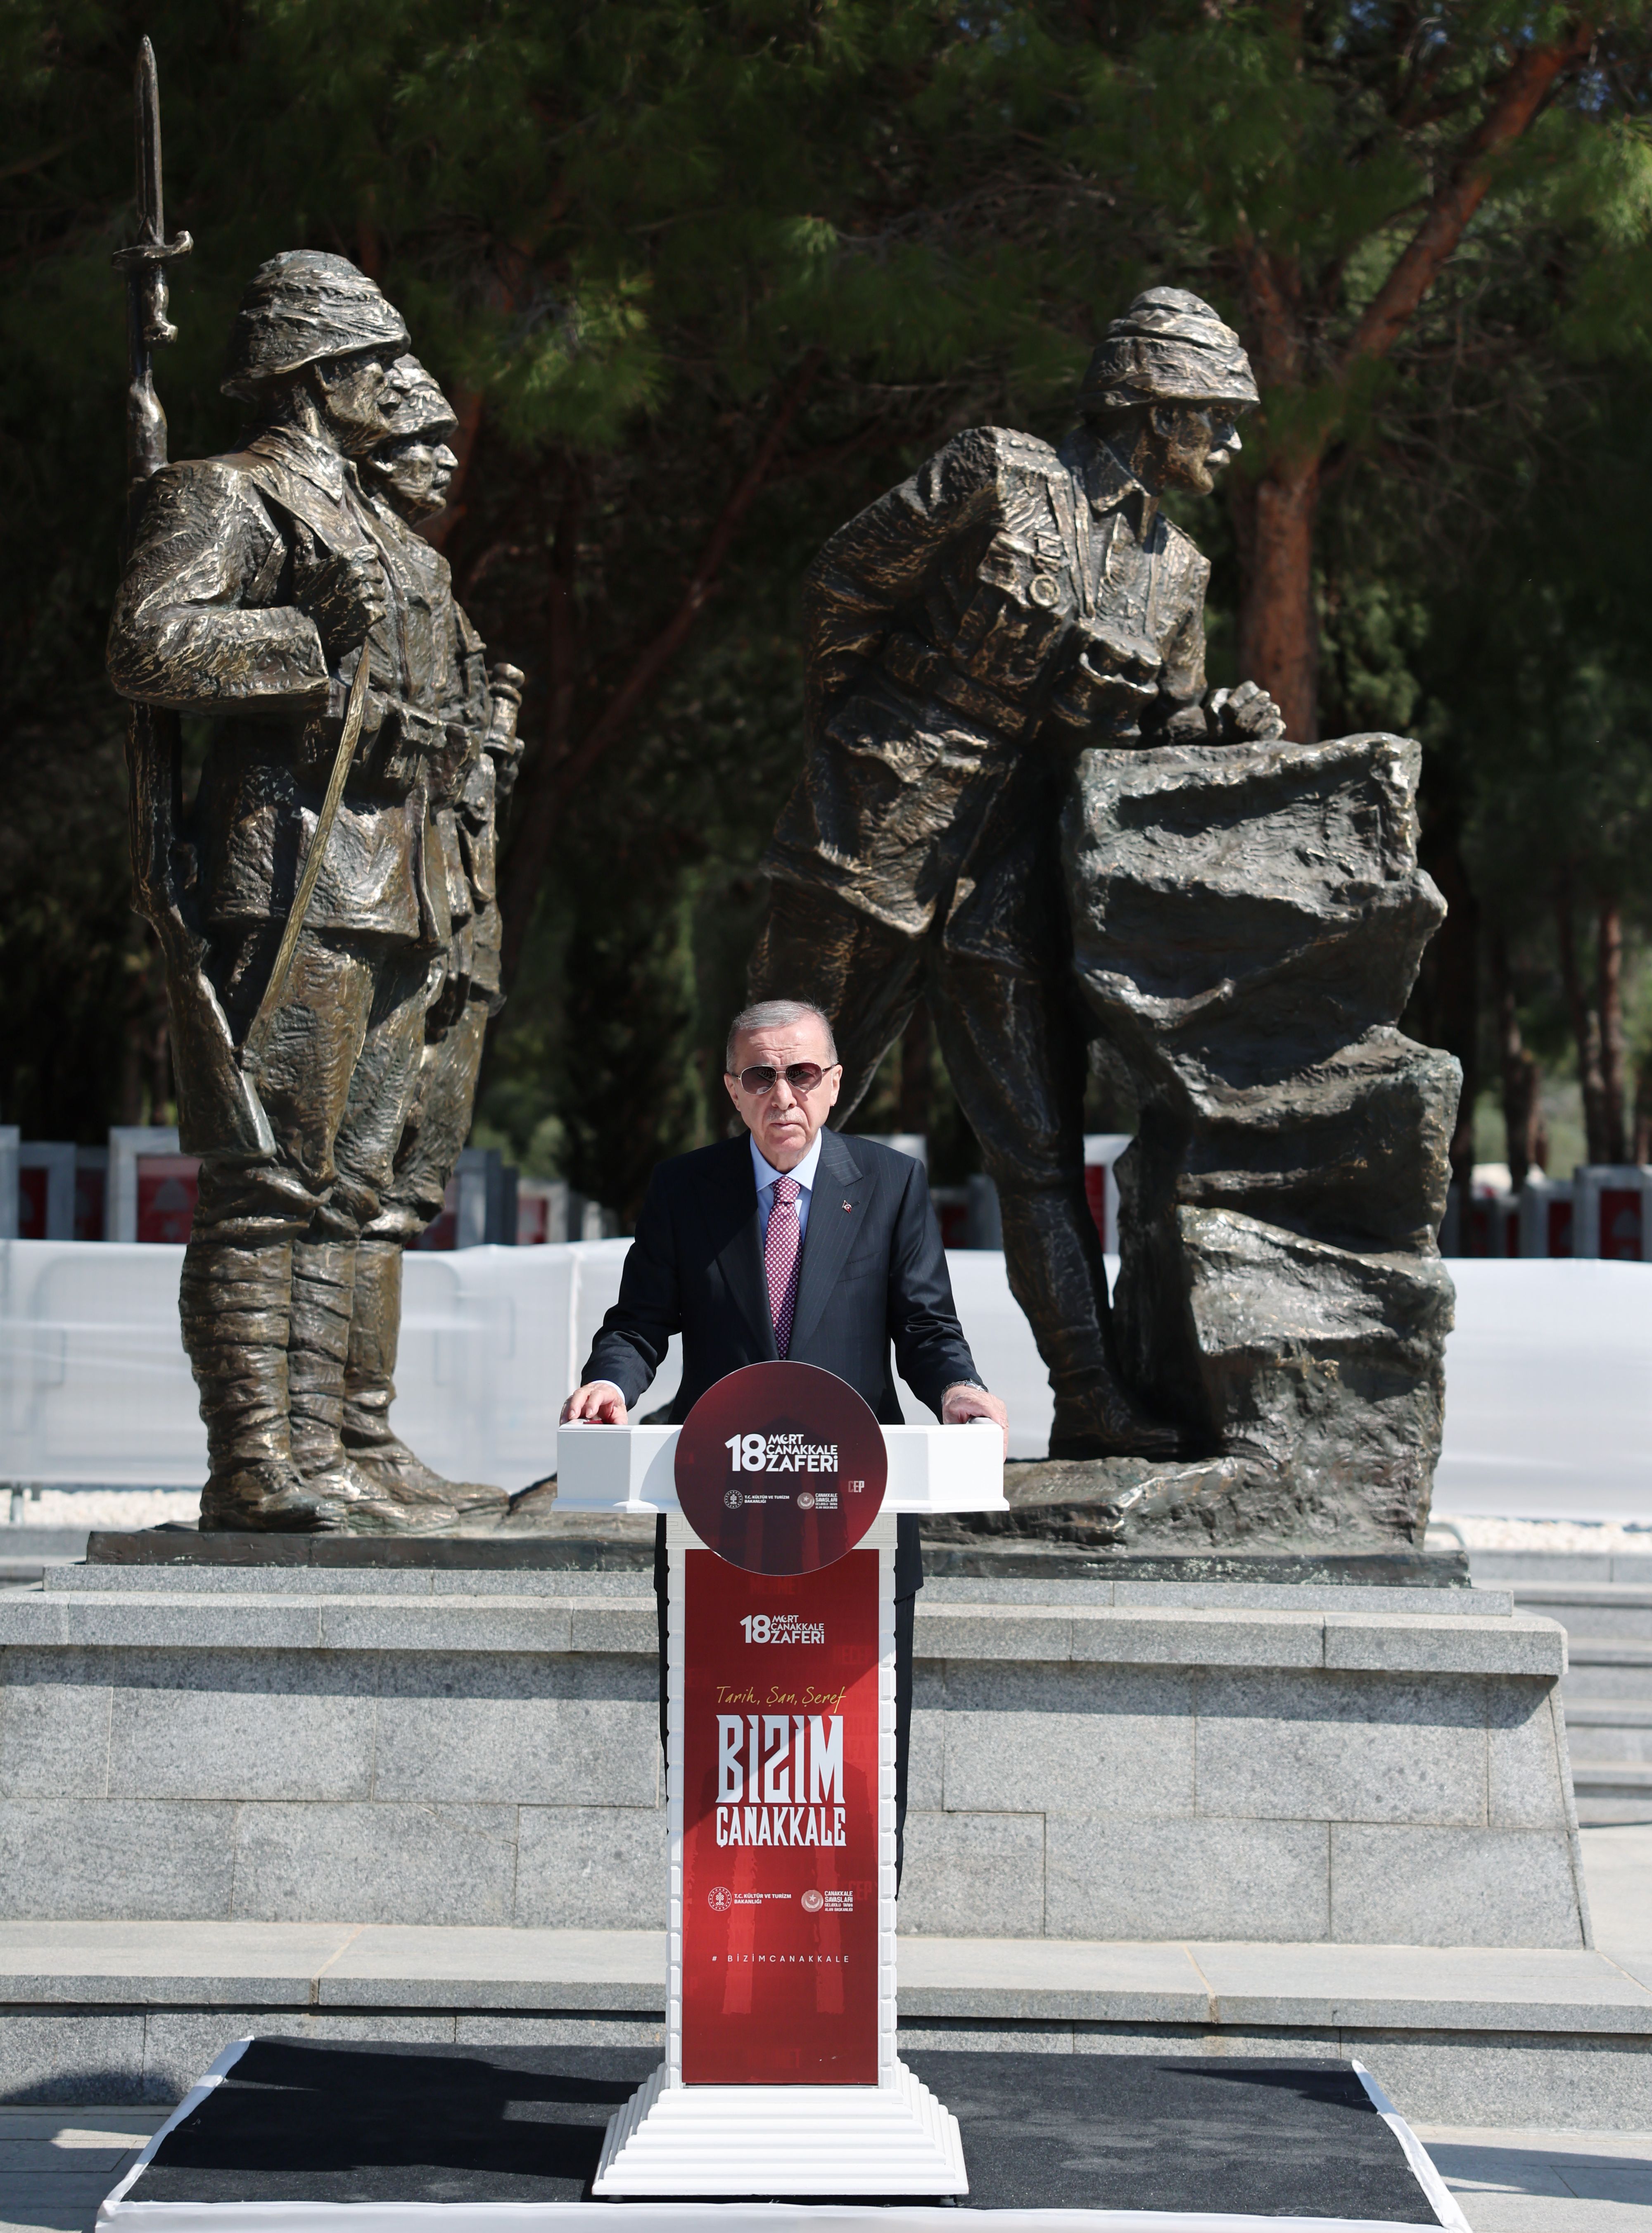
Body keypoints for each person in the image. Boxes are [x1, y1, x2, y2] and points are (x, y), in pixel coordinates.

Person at [750, 288, 1284, 1462]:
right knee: (780, 1119)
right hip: (865, 834)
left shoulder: (1179, 572)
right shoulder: (998, 471)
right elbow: (843, 581)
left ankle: (1088, 1397)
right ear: (1152, 409)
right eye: (1218, 419)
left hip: (1007, 872)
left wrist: (1214, 726)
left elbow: (1143, 738)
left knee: (1038, 1153)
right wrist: (861, 738)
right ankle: (752, 1389)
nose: (1236, 447)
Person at [107, 251, 494, 1533]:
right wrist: (308, 641)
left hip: (397, 877)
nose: (401, 384)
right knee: (268, 1172)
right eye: (381, 364)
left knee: (350, 1182)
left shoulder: (387, 527)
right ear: (325, 378)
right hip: (290, 872)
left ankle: (334, 1446)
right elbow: (148, 638)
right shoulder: (229, 492)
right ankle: (259, 1456)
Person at [561, 998, 1008, 1880]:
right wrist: (610, 1383)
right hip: (715, 1521)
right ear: (733, 1090)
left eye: (801, 1073)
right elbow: (639, 1324)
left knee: (851, 1773)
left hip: (856, 1520)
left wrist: (958, 1390)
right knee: (719, 1774)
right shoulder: (685, 1191)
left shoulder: (889, 1186)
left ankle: (856, 1949)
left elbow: (924, 1326)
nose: (783, 1094)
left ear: (834, 1084)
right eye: (760, 1075)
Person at [342, 357, 526, 1506]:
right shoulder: (362, 563)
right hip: (387, 888)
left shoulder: (430, 574)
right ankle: (339, 1435)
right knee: (345, 1178)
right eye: (422, 441)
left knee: (403, 1181)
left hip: (453, 899)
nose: (445, 461)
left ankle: (365, 1433)